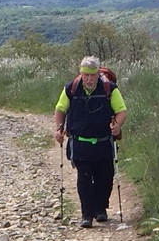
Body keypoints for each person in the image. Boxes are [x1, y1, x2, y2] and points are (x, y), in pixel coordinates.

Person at [54, 56, 126, 227]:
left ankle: (100, 209)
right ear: (81, 73)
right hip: (80, 143)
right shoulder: (71, 89)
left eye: (92, 75)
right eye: (86, 75)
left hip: (103, 143)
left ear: (98, 74)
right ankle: (87, 214)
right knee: (84, 179)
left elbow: (121, 111)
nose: (89, 79)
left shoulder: (109, 89)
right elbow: (60, 109)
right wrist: (59, 128)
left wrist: (117, 126)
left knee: (105, 177)